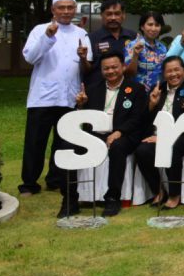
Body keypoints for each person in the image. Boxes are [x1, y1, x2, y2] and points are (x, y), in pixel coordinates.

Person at [20, 0, 92, 197]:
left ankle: (56, 179)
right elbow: (30, 58)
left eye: (70, 7)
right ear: (53, 10)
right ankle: (29, 183)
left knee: (63, 142)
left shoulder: (81, 33)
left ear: (75, 9)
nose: (66, 11)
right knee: (35, 142)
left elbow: (87, 67)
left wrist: (83, 57)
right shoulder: (40, 30)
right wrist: (48, 37)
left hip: (69, 97)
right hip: (42, 97)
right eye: (62, 7)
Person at [60, 52, 148, 218]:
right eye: (106, 68)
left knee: (117, 147)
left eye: (114, 67)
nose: (110, 71)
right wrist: (81, 105)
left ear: (123, 67)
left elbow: (138, 117)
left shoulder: (136, 89)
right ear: (101, 70)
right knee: (66, 147)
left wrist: (119, 132)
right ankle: (70, 199)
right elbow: (85, 118)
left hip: (124, 134)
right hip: (95, 135)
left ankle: (113, 198)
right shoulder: (93, 88)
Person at [134, 56, 184, 210]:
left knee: (171, 148)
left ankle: (174, 194)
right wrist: (151, 104)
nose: (173, 74)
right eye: (169, 71)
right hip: (156, 136)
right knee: (142, 150)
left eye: (176, 70)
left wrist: (164, 138)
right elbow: (143, 119)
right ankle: (158, 191)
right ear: (164, 74)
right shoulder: (157, 89)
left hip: (183, 136)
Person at [81, 0, 137, 90]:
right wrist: (83, 58)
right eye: (109, 14)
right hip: (99, 91)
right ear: (101, 15)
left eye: (117, 14)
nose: (113, 18)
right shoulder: (90, 38)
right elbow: (86, 70)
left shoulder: (133, 37)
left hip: (127, 91)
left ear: (123, 15)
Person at [124, 12, 168, 91]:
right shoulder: (132, 46)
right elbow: (128, 73)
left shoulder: (162, 48)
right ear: (142, 27)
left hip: (157, 92)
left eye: (157, 25)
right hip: (137, 92)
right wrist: (135, 55)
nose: (153, 29)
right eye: (150, 25)